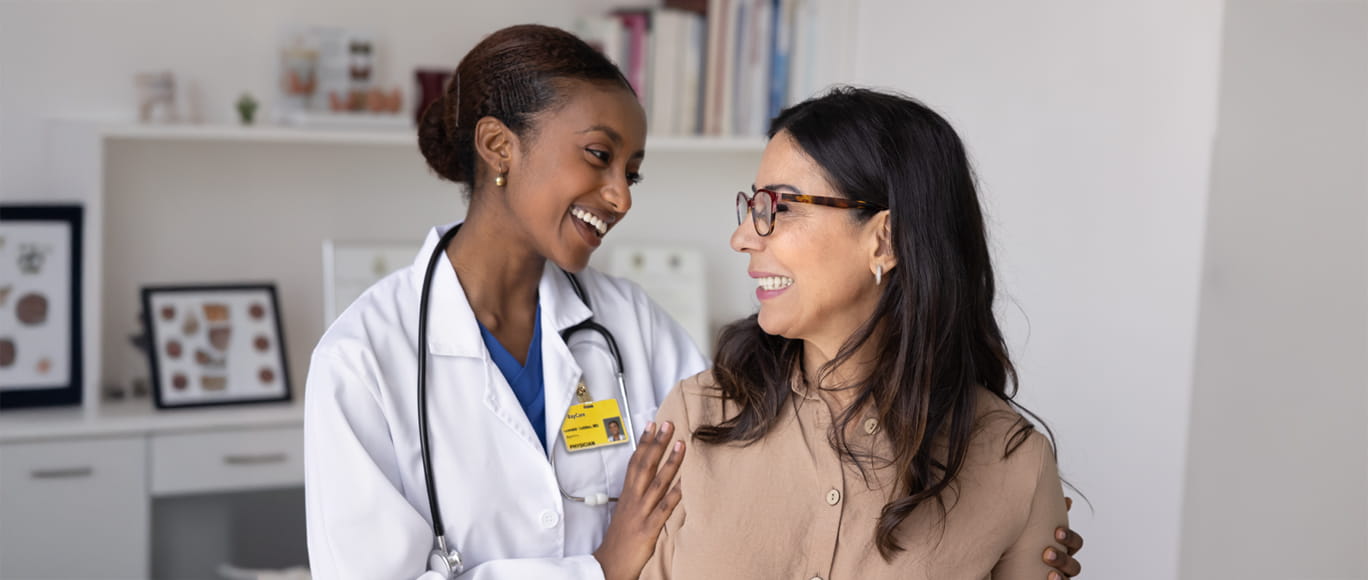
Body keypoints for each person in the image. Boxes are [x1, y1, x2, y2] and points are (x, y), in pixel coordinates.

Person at [304, 24, 1085, 580]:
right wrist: (601, 570)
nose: (619, 196)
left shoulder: (633, 333)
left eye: (632, 172)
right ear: (499, 148)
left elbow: (744, 465)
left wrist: (1000, 530)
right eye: (599, 157)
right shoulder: (364, 362)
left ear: (885, 240)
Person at [641, 87, 1079, 579]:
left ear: (885, 239)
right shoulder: (698, 415)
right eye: (751, 206)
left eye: (777, 207)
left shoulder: (1014, 462)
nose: (743, 236)